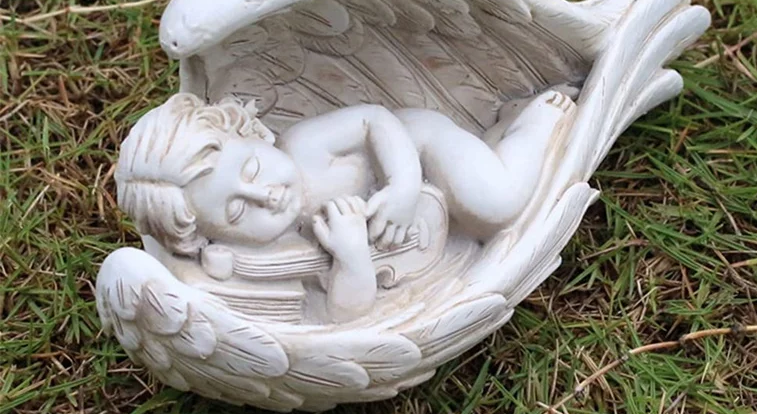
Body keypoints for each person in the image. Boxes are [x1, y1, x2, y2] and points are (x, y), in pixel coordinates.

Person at [116, 89, 574, 321]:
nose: (264, 195)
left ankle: (533, 121)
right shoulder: (280, 252)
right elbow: (344, 315)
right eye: (237, 213)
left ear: (249, 133)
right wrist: (352, 256)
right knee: (483, 198)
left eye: (252, 168)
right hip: (429, 225)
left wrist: (403, 185)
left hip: (426, 151)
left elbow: (375, 119)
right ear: (211, 239)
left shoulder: (305, 148)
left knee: (497, 201)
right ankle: (498, 141)